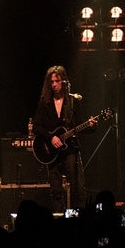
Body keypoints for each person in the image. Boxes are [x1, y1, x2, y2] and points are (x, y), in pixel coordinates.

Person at [32, 65, 95, 213]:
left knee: (77, 189)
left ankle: (75, 220)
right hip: (52, 153)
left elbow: (81, 126)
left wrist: (91, 125)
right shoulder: (45, 103)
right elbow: (36, 126)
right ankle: (59, 223)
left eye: (57, 81)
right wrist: (51, 137)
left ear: (64, 81)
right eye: (52, 81)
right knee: (56, 191)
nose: (54, 84)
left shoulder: (73, 101)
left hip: (70, 150)